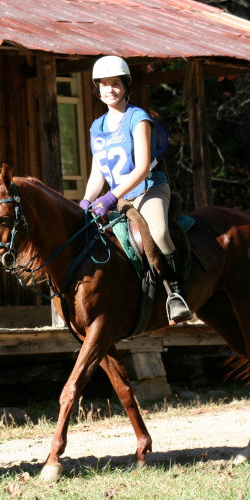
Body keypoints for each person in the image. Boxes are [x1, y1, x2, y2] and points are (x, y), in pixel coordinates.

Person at [79, 55, 191, 324]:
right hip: (120, 198)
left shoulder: (138, 118)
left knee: (160, 232)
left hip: (148, 189)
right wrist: (85, 201)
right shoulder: (97, 126)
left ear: (125, 85)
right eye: (104, 85)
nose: (110, 90)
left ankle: (176, 293)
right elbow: (98, 173)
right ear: (97, 89)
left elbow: (141, 168)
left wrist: (109, 196)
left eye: (115, 83)